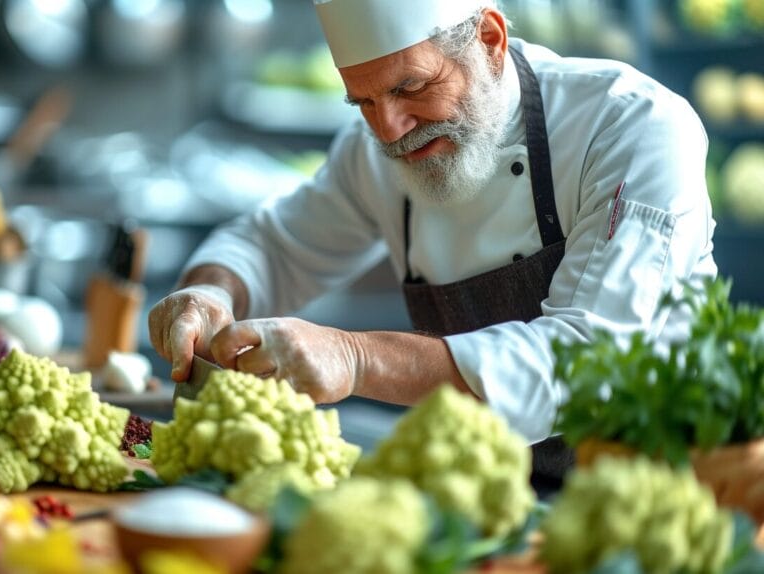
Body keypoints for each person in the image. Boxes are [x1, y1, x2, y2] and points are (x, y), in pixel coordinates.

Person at [147, 0, 716, 485]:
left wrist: (355, 357)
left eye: (410, 87)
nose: (389, 130)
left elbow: (586, 364)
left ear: (490, 39)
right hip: (487, 499)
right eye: (364, 103)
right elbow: (272, 244)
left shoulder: (631, 127)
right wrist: (209, 294)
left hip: (655, 505)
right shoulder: (375, 149)